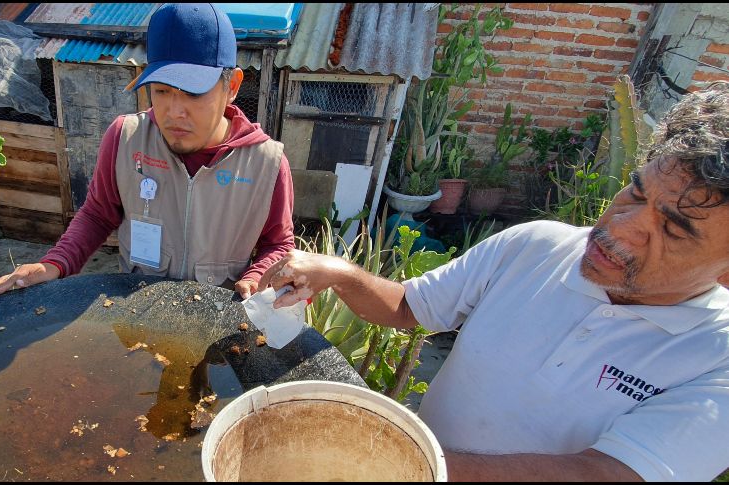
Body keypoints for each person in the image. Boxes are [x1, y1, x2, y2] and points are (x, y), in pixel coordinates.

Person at [258, 81, 729, 482]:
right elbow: (408, 308)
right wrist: (337, 271)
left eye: (673, 229)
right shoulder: (535, 246)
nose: (619, 229)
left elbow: (605, 474)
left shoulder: (716, 361)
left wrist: (394, 459)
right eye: (636, 191)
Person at [0, 3, 294, 299]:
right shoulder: (126, 138)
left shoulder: (266, 164)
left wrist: (257, 276)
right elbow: (97, 214)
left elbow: (278, 243)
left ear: (233, 85)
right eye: (161, 90)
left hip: (212, 328)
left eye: (193, 93)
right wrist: (55, 263)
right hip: (136, 317)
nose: (174, 111)